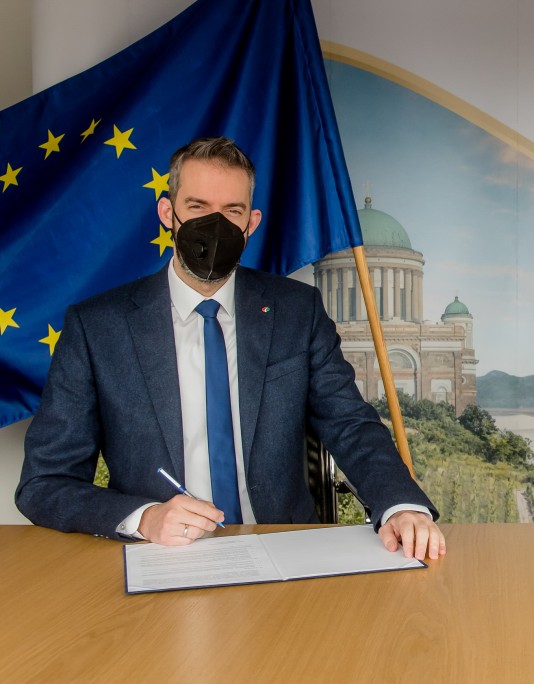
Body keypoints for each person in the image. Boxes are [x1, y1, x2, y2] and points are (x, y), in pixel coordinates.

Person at [16, 137, 445, 560]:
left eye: (232, 211)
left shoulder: (297, 311)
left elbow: (350, 423)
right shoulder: (97, 327)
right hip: (162, 557)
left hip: (285, 551)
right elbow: (44, 483)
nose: (214, 225)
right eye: (197, 207)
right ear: (167, 213)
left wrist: (400, 504)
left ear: (251, 222)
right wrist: (144, 518)